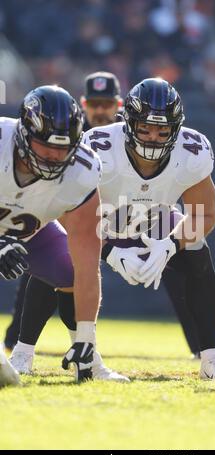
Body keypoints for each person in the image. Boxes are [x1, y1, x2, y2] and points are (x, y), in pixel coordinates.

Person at [11, 78, 215, 379]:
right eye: (146, 129)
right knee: (61, 260)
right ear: (129, 123)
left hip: (156, 221)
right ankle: (23, 351)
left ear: (176, 128)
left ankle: (212, 359)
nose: (153, 138)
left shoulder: (192, 151)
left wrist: (172, 244)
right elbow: (63, 210)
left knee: (198, 252)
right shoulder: (98, 148)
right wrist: (108, 250)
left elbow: (205, 214)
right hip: (101, 221)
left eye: (163, 131)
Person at [0, 84, 127, 384]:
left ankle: (90, 359)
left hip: (29, 232)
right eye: (47, 146)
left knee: (70, 269)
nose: (55, 156)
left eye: (63, 147)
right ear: (23, 134)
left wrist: (87, 336)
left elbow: (86, 266)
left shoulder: (82, 170)